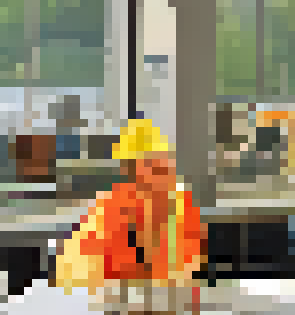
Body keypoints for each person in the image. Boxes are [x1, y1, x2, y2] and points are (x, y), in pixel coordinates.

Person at [54, 118, 206, 290]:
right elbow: (74, 265)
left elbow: (189, 265)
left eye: (159, 167)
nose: (153, 177)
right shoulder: (114, 205)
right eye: (135, 168)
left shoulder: (181, 206)